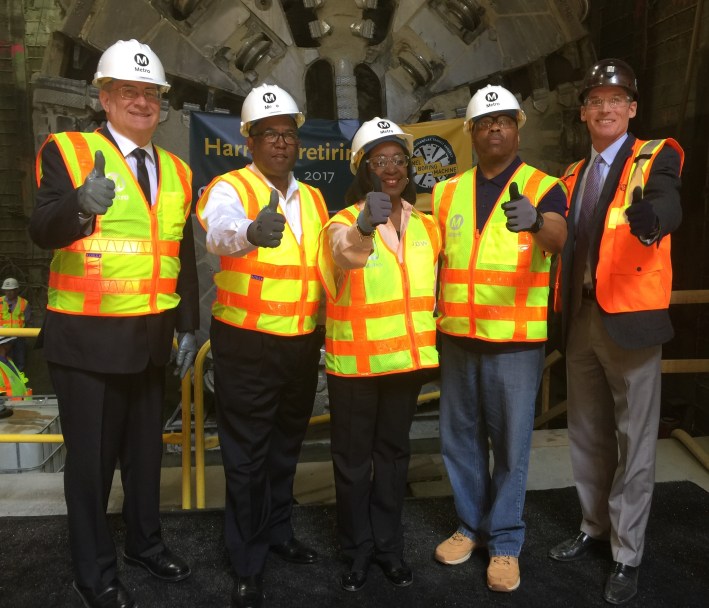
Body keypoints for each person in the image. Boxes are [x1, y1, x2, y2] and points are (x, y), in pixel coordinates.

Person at [28, 39, 199, 608]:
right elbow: (42, 230)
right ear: (104, 96)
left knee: (146, 458)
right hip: (87, 342)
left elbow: (182, 254)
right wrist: (79, 204)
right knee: (92, 467)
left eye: (151, 93)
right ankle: (93, 572)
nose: (143, 102)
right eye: (129, 91)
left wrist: (189, 325)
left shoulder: (176, 169)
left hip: (152, 340)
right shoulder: (69, 151)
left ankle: (144, 545)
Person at [547, 59, 684, 605]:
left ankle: (627, 554)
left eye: (615, 100)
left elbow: (668, 198)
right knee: (587, 431)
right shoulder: (572, 175)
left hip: (630, 320)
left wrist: (654, 218)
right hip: (579, 317)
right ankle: (592, 525)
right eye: (595, 101)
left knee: (635, 440)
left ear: (631, 109)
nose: (605, 108)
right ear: (584, 113)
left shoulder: (656, 156)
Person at [196, 83, 328, 608]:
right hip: (247, 345)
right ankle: (246, 558)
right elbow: (219, 231)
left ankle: (279, 532)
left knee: (284, 447)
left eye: (288, 135)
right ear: (248, 139)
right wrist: (252, 231)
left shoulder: (313, 198)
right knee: (246, 455)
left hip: (299, 343)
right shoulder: (230, 188)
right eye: (269, 134)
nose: (280, 143)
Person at [431, 85, 568, 592]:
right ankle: (471, 527)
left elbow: (558, 236)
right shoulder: (447, 193)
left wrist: (536, 223)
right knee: (460, 441)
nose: (495, 128)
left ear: (517, 128)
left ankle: (506, 542)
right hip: (459, 339)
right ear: (471, 131)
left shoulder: (544, 186)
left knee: (511, 446)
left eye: (505, 120)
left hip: (514, 342)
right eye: (486, 122)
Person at [317, 118, 441, 593]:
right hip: (355, 367)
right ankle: (355, 552)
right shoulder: (341, 222)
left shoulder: (426, 226)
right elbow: (345, 256)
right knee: (351, 463)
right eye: (379, 160)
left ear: (408, 168)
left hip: (404, 366)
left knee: (392, 458)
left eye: (398, 159)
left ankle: (389, 549)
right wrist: (366, 225)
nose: (391, 168)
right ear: (363, 168)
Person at [1, 277, 31, 371]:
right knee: (5, 361)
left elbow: (27, 320)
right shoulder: (0, 302)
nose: (8, 293)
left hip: (19, 337)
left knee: (20, 360)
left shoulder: (24, 303)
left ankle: (20, 381)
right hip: (3, 338)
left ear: (17, 290)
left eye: (11, 290)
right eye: (7, 290)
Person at [0, 335, 27, 418]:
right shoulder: (4, 363)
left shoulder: (8, 361)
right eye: (11, 342)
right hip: (7, 414)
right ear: (4, 345)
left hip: (18, 410)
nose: (12, 345)